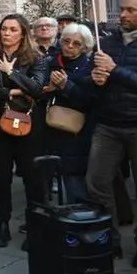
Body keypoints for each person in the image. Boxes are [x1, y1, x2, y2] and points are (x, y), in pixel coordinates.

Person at [0, 14, 48, 250]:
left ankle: (36, 226)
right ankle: (3, 223)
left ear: (23, 33)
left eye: (12, 29)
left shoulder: (36, 58)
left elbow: (37, 89)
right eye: (4, 28)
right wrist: (11, 93)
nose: (6, 33)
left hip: (29, 124)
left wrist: (10, 72)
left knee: (31, 176)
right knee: (2, 176)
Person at [86, 0, 137, 265]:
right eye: (123, 9)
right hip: (108, 125)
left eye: (131, 10)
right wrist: (96, 79)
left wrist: (115, 70)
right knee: (96, 183)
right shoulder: (107, 43)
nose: (123, 14)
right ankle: (109, 240)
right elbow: (93, 84)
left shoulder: (112, 54)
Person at [43, 24, 94, 204]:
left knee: (74, 182)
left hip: (75, 133)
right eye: (66, 41)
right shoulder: (49, 62)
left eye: (76, 43)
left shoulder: (89, 67)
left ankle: (77, 222)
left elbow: (88, 101)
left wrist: (67, 86)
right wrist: (47, 89)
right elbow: (37, 92)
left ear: (85, 47)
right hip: (48, 129)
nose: (70, 46)